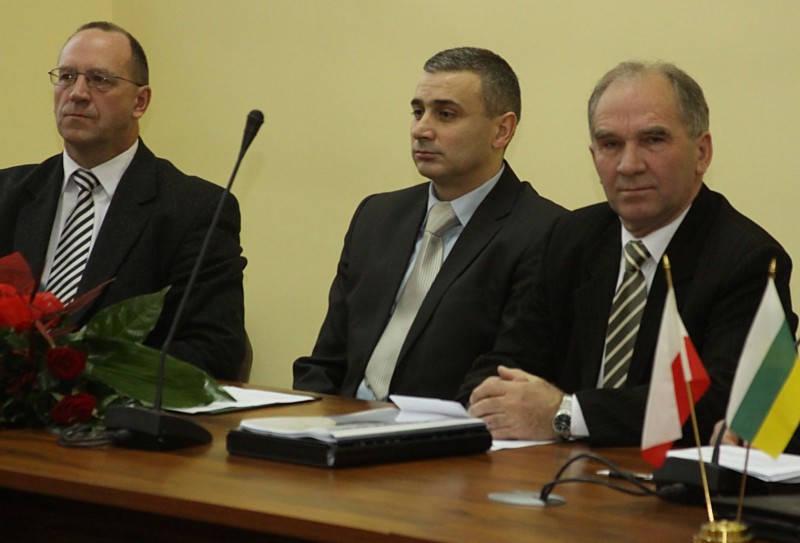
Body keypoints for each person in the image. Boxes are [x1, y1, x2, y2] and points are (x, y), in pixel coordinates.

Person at [468, 61, 796, 446]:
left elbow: (722, 405)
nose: (629, 165)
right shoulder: (571, 237)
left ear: (702, 153)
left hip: (665, 478)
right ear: (593, 156)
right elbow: (510, 361)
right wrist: (487, 399)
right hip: (558, 471)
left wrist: (566, 413)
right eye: (610, 144)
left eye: (653, 140)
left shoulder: (748, 260)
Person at [293, 47, 565, 401]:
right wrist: (308, 419)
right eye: (418, 111)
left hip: (445, 428)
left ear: (502, 130)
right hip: (342, 418)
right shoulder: (377, 216)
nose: (421, 129)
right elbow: (327, 361)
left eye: (446, 114)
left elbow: (503, 377)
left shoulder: (546, 234)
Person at [0, 22, 246, 380]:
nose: (77, 93)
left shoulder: (193, 209)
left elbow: (213, 348)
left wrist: (85, 380)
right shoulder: (7, 195)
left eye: (99, 80)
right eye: (66, 77)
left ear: (140, 102)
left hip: (115, 407)